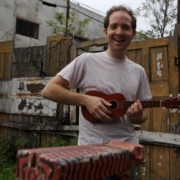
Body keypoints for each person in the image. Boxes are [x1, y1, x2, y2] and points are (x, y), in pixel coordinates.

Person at [42, 5, 152, 179]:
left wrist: (138, 116)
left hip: (127, 155)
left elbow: (144, 111)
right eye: (114, 26)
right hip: (91, 156)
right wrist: (85, 100)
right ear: (105, 31)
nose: (119, 32)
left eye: (126, 27)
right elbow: (49, 90)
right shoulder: (87, 60)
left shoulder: (138, 71)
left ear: (133, 34)